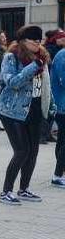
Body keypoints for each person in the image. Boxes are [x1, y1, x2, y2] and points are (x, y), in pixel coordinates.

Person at [0, 25, 51, 205]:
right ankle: (6, 191)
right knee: (21, 151)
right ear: (22, 41)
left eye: (39, 39)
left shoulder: (41, 58)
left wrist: (51, 105)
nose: (37, 42)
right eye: (32, 39)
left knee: (33, 152)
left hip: (34, 110)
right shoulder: (11, 57)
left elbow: (43, 86)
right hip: (13, 111)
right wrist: (32, 67)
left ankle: (24, 188)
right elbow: (11, 82)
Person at [51, 43, 65, 188]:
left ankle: (60, 171)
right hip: (62, 105)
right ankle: (57, 174)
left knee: (62, 139)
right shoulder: (62, 55)